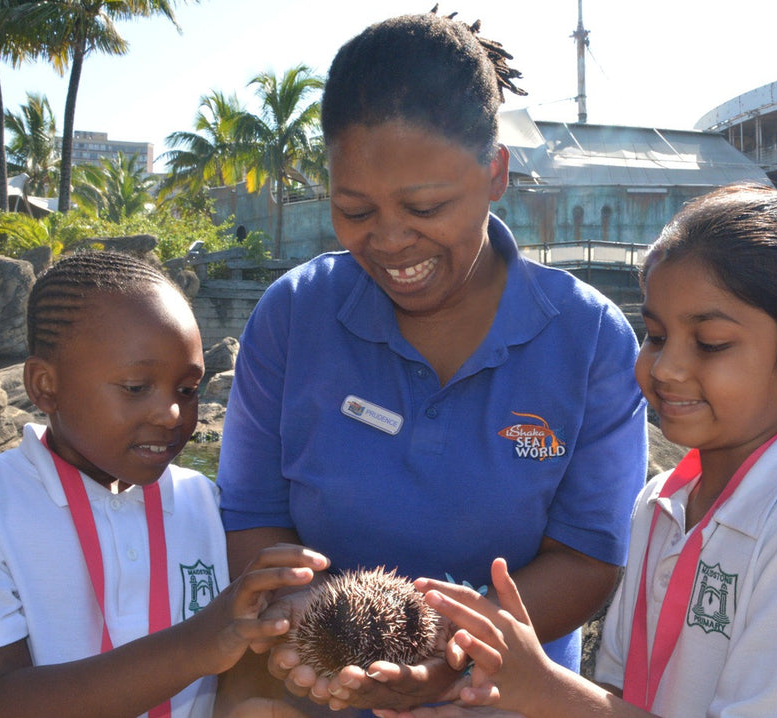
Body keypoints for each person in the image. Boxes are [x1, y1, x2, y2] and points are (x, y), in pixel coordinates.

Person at [214, 9, 647, 716]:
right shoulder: (292, 316)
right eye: (354, 209)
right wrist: (303, 624)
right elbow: (253, 519)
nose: (389, 241)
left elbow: (589, 559)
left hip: (497, 687)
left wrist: (451, 653)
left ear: (496, 173)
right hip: (316, 678)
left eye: (425, 206)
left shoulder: (591, 339)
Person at [383, 184, 777, 718]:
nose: (664, 369)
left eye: (710, 343)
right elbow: (623, 698)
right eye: (656, 335)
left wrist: (547, 689)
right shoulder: (660, 504)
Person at [0, 250, 329, 718]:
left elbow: (234, 669)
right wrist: (200, 643)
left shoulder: (202, 499)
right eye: (137, 387)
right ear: (44, 386)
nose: (172, 414)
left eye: (187, 389)